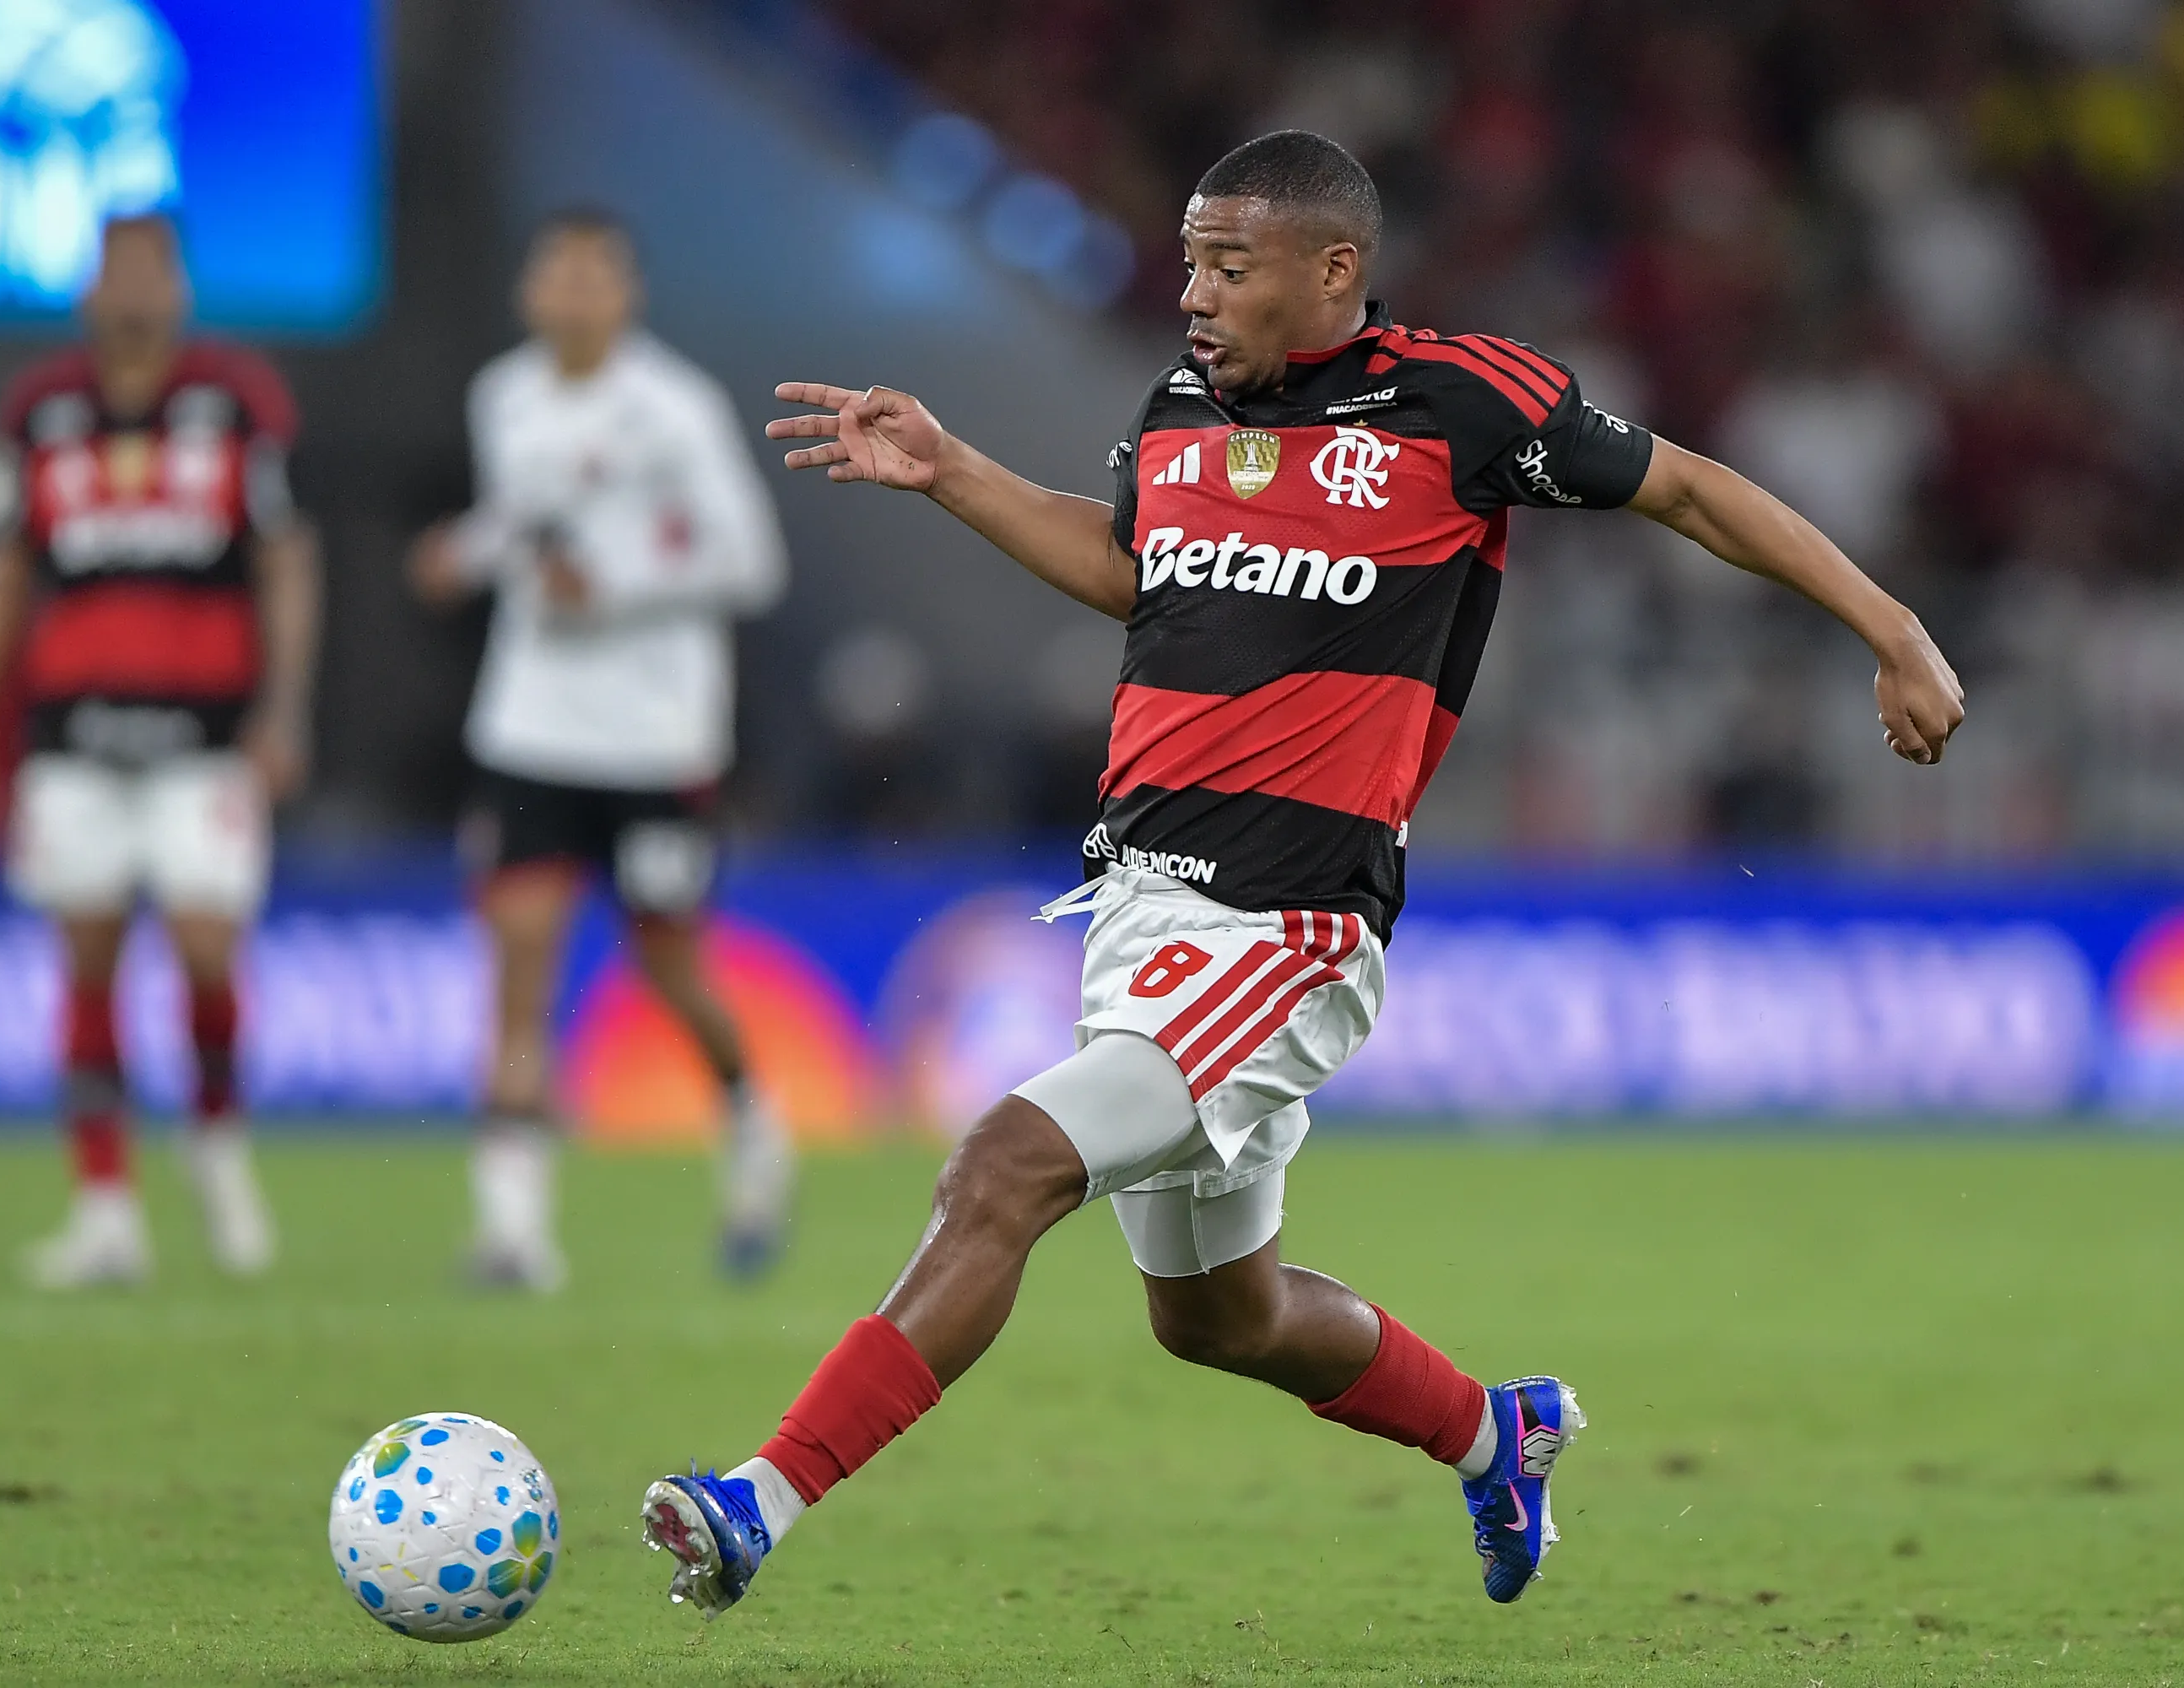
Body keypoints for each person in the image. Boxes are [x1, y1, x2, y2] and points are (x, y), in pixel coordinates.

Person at [638, 132, 1964, 1611]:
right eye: (1191, 263)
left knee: (1002, 1169)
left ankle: (757, 1500)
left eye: (1229, 265)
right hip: (1141, 906)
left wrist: (1891, 629)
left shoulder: (1466, 404)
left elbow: (1695, 493)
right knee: (1216, 1318)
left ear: (1334, 271)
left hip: (1282, 927)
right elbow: (1139, 573)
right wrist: (950, 471)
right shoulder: (1180, 409)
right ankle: (1494, 1435)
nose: (1194, 296)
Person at [0, 213, 320, 1288]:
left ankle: (218, 1148)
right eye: (118, 268)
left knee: (204, 945)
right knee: (87, 959)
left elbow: (285, 556)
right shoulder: (40, 409)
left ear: (181, 285)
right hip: (74, 732)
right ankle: (105, 1207)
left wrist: (285, 707)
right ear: (89, 289)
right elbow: (4, 570)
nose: (136, 286)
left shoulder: (239, 400)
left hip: (205, 732)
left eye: (154, 266)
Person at [408, 208, 792, 1290]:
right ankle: (513, 1230)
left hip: (657, 737)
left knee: (668, 966)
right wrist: (466, 554)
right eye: (559, 275)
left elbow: (753, 563)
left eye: (596, 277)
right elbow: (522, 519)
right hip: (529, 727)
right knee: (518, 960)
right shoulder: (505, 396)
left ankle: (757, 1132)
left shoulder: (675, 410)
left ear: (627, 295)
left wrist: (616, 590)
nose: (575, 295)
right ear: (533, 291)